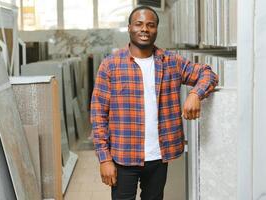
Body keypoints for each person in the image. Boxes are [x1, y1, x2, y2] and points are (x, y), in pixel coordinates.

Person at [90, 6, 218, 200]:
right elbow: (98, 114)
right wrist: (104, 159)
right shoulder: (111, 65)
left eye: (151, 25)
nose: (145, 29)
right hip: (124, 155)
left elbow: (208, 73)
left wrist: (195, 94)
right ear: (129, 28)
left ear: (156, 29)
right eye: (139, 24)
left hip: (159, 156)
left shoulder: (171, 62)